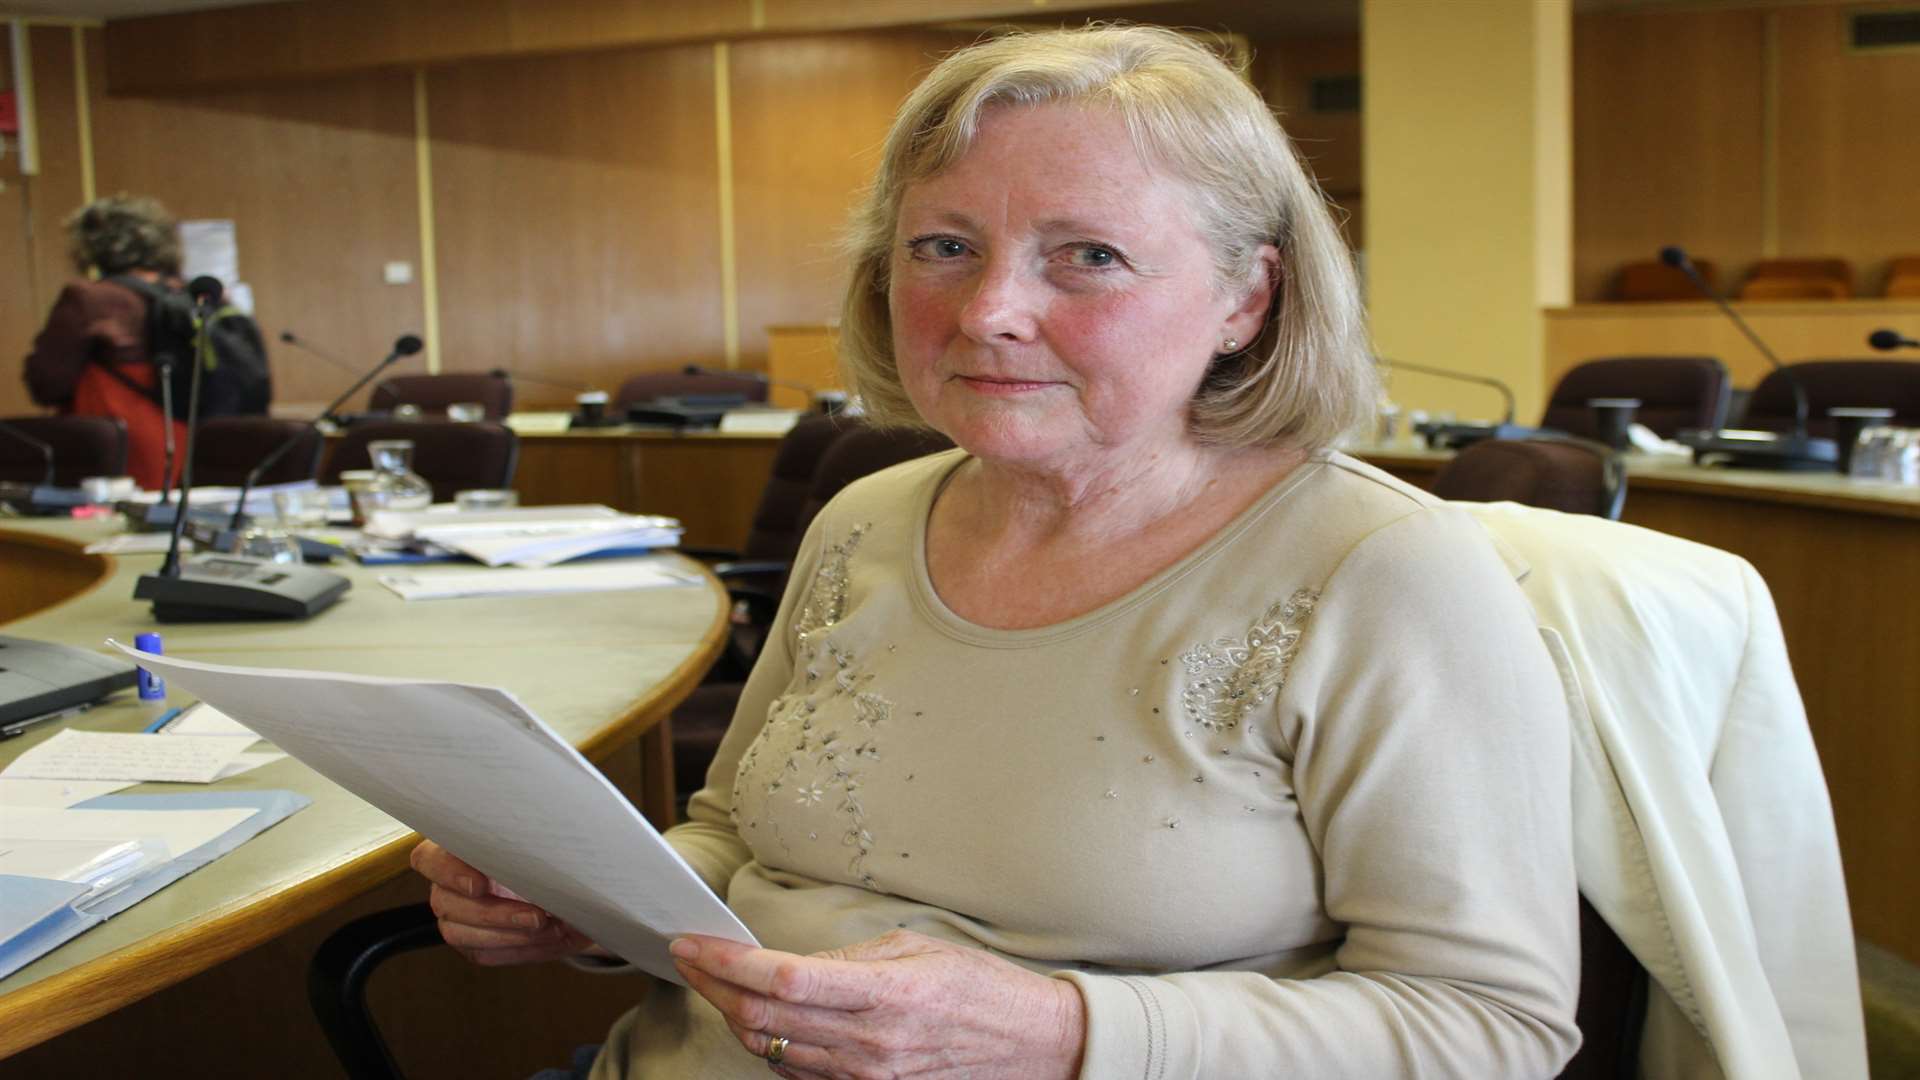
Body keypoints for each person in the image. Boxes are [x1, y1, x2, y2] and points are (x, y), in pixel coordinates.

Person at [414, 25, 1582, 1078]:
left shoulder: (1384, 573)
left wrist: (1065, 1035)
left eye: (1089, 257)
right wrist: (589, 904)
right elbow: (734, 839)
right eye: (943, 246)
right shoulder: (865, 519)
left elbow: (1490, 1025)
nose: (985, 312)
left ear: (1247, 299)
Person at [23, 193, 187, 491]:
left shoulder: (88, 299)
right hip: (196, 448)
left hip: (121, 453)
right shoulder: (191, 295)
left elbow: (46, 382)